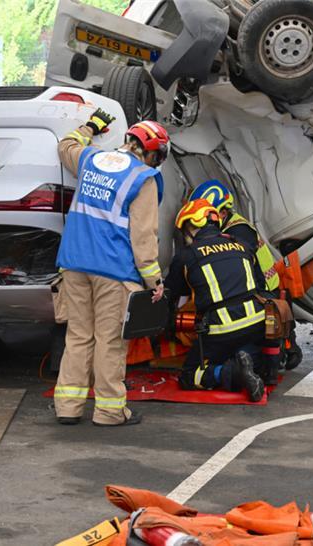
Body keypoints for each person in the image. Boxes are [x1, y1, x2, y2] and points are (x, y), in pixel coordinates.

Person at [54, 113, 171, 427]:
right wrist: (154, 280)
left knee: (78, 336)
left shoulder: (90, 159)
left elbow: (66, 145)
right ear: (151, 152)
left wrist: (90, 127)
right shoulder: (143, 178)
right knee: (110, 341)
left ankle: (67, 407)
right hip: (113, 272)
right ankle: (108, 412)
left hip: (74, 264)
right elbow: (144, 236)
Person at [164, 198, 267, 402]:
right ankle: (248, 366)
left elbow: (172, 294)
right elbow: (261, 286)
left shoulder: (187, 256)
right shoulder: (241, 245)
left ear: (192, 226)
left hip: (222, 328)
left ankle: (230, 373)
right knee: (252, 357)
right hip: (256, 323)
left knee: (190, 375)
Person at [187, 180, 289, 384]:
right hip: (264, 295)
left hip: (264, 295)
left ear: (222, 213)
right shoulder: (233, 228)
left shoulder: (237, 233)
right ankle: (263, 366)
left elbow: (236, 273)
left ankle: (260, 366)